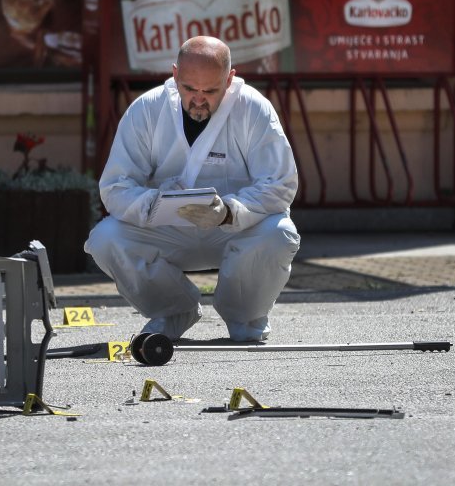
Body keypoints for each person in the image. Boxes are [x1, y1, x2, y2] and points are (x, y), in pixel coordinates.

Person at [84, 36, 300, 342]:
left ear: (230, 78)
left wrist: (227, 212)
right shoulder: (146, 109)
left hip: (234, 227)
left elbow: (280, 184)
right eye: (188, 89)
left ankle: (245, 318)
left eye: (211, 91)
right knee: (105, 239)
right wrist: (155, 204)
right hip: (167, 226)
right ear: (174, 75)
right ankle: (173, 310)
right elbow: (115, 187)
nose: (198, 100)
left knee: (279, 233)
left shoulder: (254, 109)